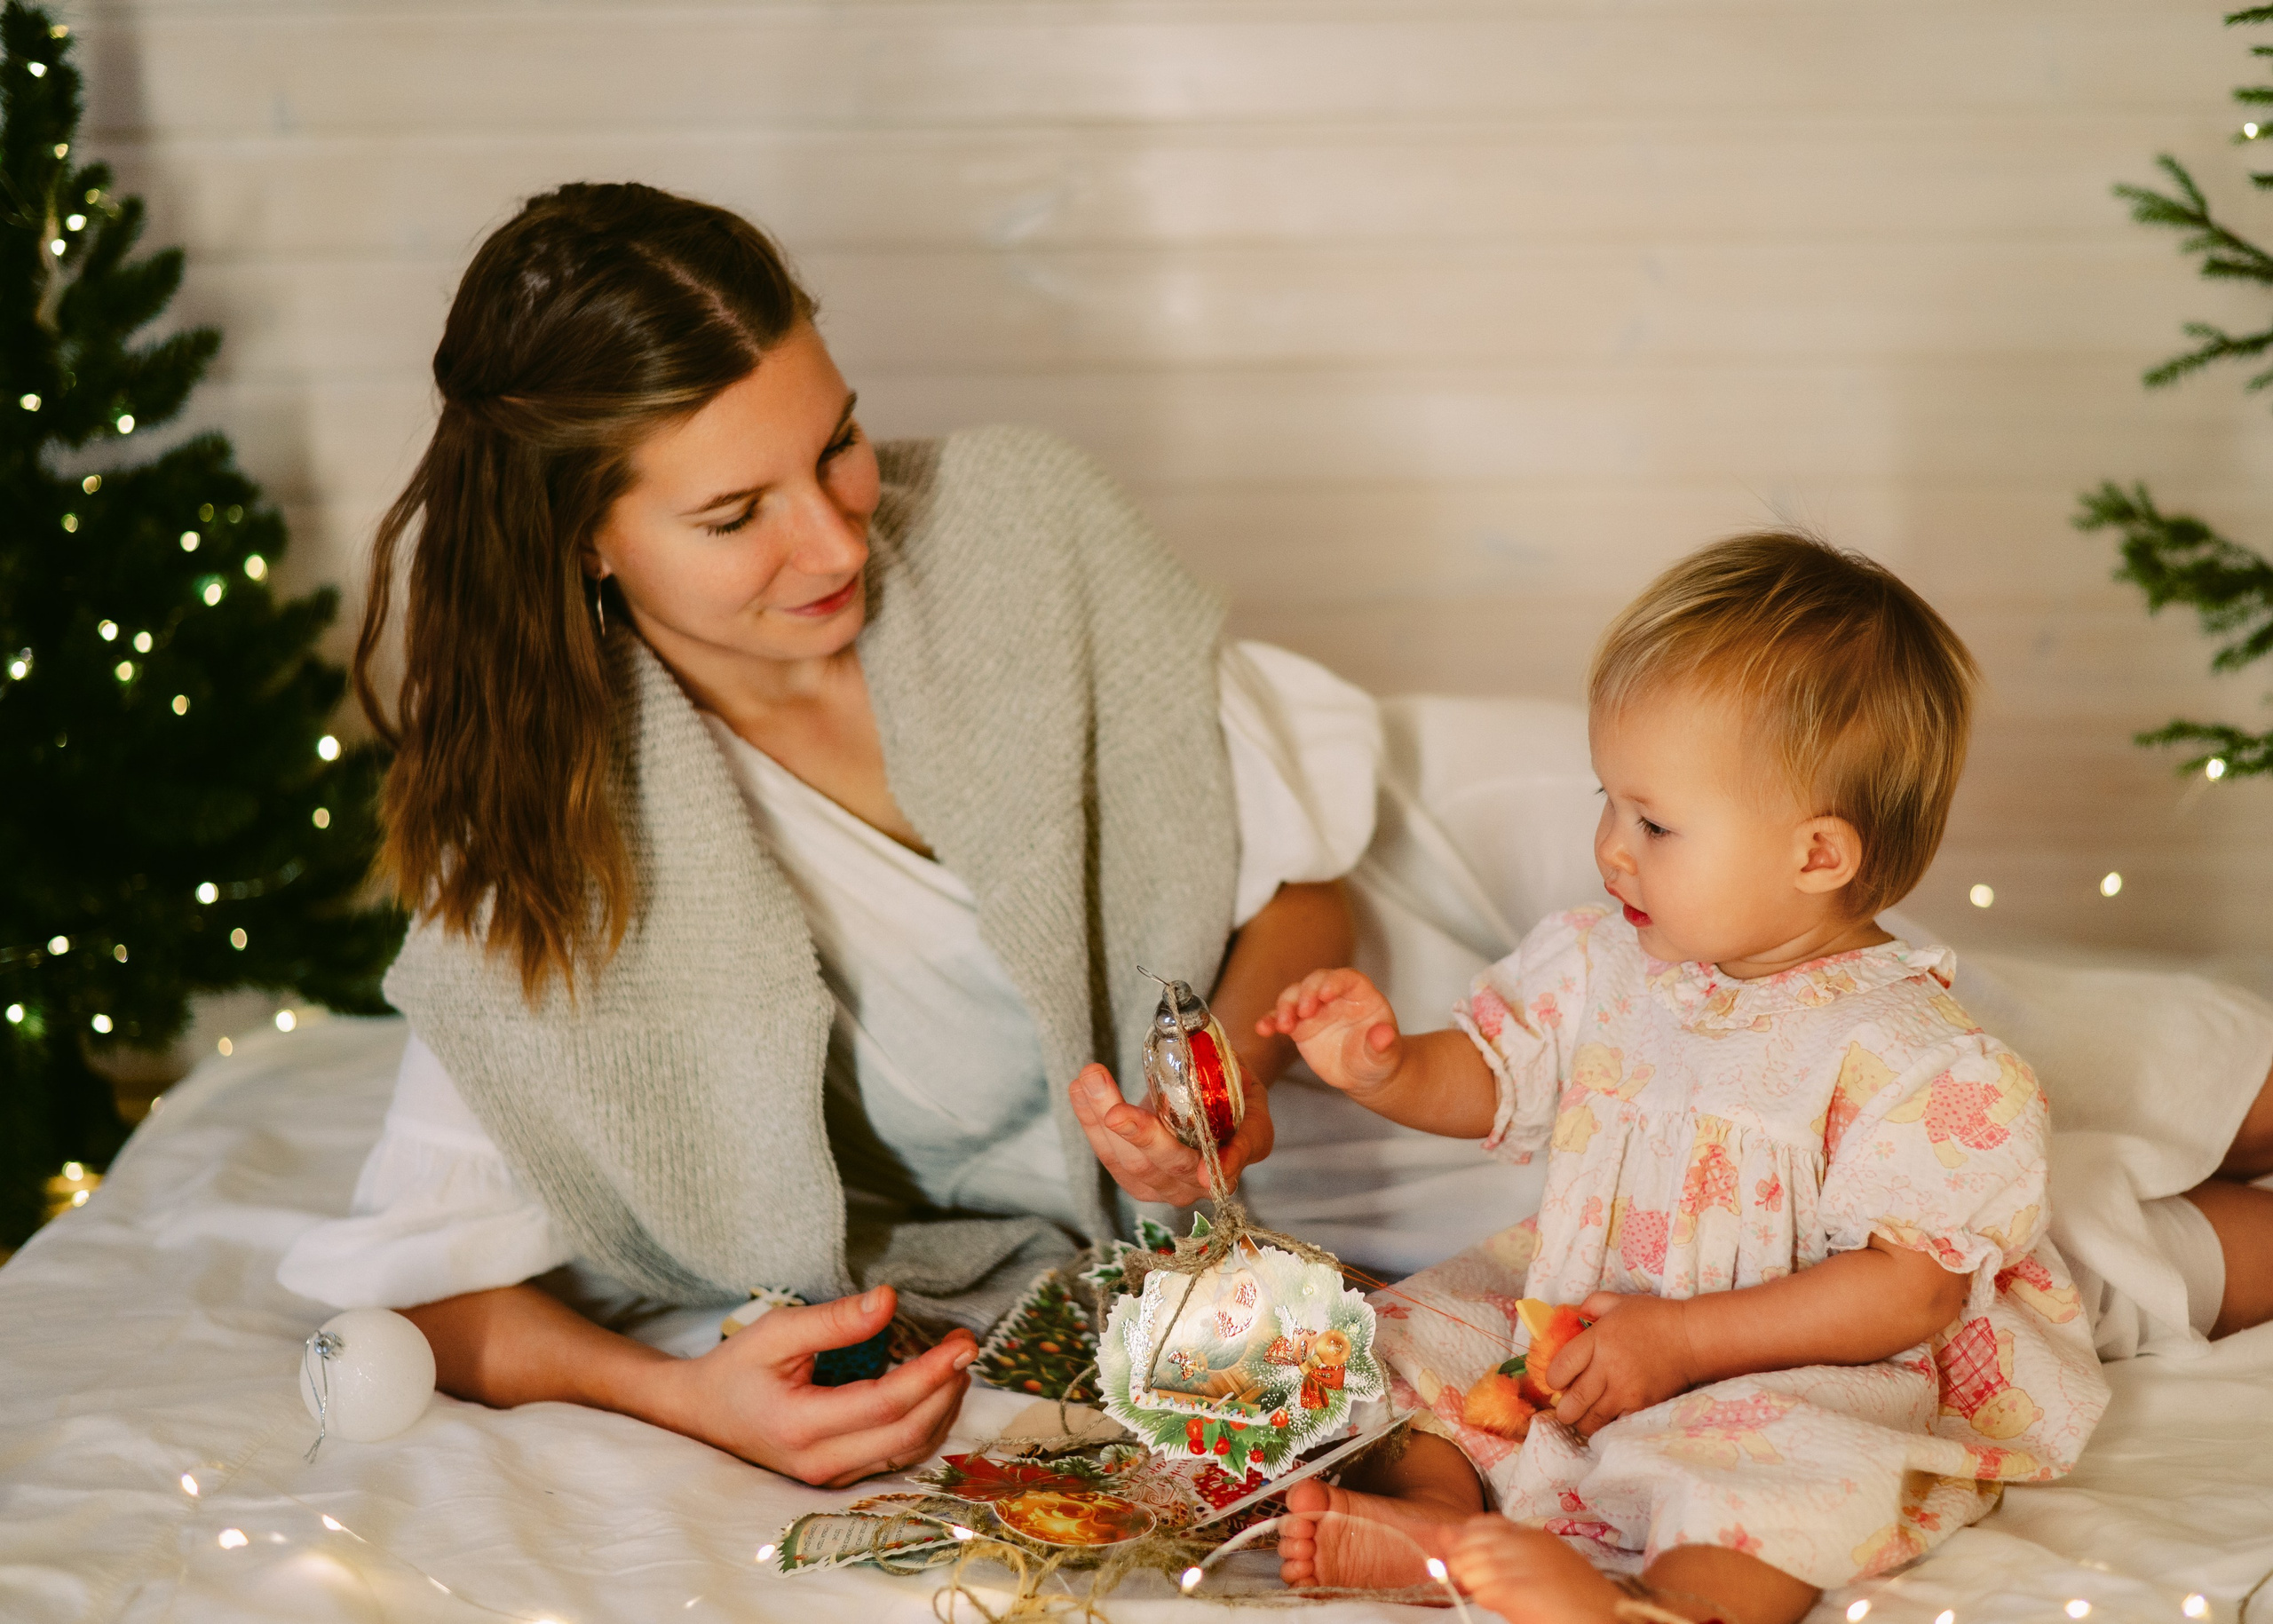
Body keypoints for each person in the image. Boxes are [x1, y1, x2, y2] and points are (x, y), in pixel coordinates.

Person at [277, 181, 1380, 1488]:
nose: (833, 535)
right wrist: (689, 1400)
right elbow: (420, 1289)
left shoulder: (1031, 527)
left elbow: (1308, 890)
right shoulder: (540, 846)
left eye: (838, 441)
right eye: (735, 515)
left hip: (1367, 1026)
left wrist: (1216, 1088)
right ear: (583, 539)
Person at [1255, 534, 2116, 1624]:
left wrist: (1685, 1341)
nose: (1612, 847)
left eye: (1654, 821)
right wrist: (1384, 1067)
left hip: (1791, 1358)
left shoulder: (1922, 1060)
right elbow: (1489, 1076)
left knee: (1784, 1468)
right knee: (1401, 1340)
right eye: (1608, 800)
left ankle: (1658, 1606)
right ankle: (1437, 1523)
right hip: (1579, 1307)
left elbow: (1912, 1290)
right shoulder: (1602, 960)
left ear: (1817, 855)